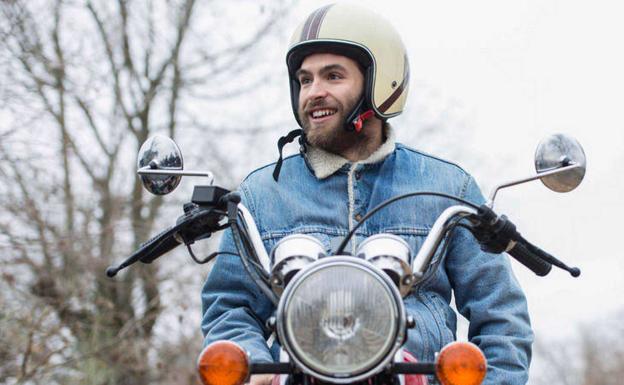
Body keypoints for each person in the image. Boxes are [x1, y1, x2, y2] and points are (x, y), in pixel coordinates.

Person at [201, 3, 532, 385]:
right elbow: (229, 306)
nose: (314, 92)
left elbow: (501, 315)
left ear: (380, 82)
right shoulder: (261, 194)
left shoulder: (446, 187)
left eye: (333, 76)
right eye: (305, 80)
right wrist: (259, 369)